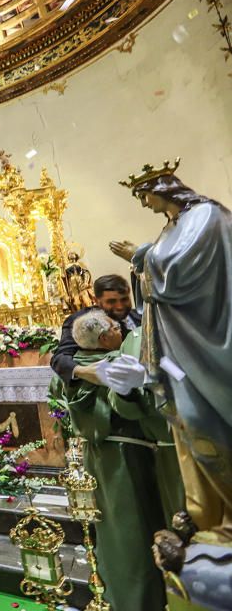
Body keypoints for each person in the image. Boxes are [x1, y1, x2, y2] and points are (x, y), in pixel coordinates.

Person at [109, 163, 232, 543]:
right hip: (178, 349)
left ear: (163, 187)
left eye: (145, 195)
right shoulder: (172, 226)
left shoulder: (206, 215)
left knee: (205, 422)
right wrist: (144, 257)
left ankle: (227, 517)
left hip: (204, 341)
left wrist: (140, 255)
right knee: (187, 425)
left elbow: (180, 275)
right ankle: (209, 516)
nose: (144, 204)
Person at [48, 310, 180, 611]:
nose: (119, 327)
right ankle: (144, 608)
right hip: (126, 457)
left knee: (114, 537)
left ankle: (121, 603)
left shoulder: (78, 367)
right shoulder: (113, 362)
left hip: (100, 459)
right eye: (113, 326)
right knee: (136, 533)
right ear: (105, 337)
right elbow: (131, 408)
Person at [50, 274, 141, 385]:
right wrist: (82, 371)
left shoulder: (140, 316)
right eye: (112, 301)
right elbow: (60, 358)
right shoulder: (81, 321)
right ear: (96, 300)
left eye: (124, 299)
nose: (120, 306)